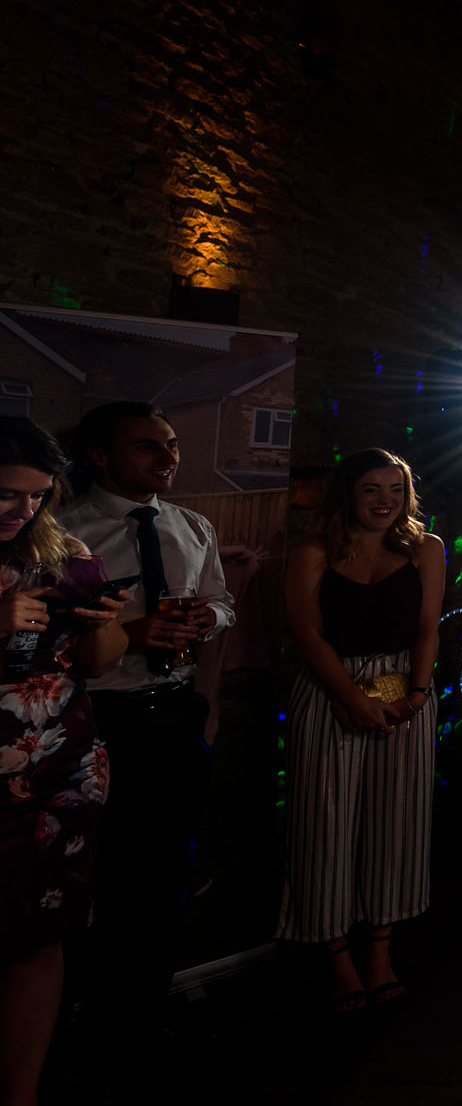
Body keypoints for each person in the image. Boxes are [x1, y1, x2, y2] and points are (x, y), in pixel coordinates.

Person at [55, 402, 233, 1032]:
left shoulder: (192, 526)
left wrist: (209, 618)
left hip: (176, 714)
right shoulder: (64, 533)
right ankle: (71, 1020)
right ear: (100, 455)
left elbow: (221, 599)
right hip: (97, 719)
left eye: (174, 444)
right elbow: (47, 644)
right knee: (89, 877)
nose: (168, 458)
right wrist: (133, 632)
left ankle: (139, 1014)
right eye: (147, 447)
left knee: (163, 873)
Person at [275, 449, 445, 1013]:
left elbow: (428, 630)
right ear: (347, 493)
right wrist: (350, 698)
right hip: (329, 691)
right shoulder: (312, 551)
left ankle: (380, 954)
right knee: (325, 825)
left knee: (395, 823)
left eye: (396, 489)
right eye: (372, 489)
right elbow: (307, 634)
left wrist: (417, 695)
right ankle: (337, 960)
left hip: (405, 692)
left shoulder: (426, 548)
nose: (385, 501)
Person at [0, 419, 128, 1106]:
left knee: (38, 941)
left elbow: (97, 667)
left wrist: (105, 622)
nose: (22, 513)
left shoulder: (68, 554)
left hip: (61, 776)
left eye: (37, 498)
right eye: (6, 496)